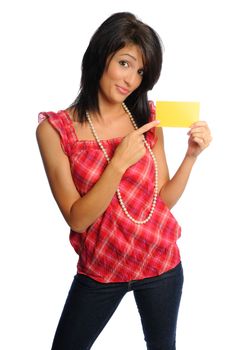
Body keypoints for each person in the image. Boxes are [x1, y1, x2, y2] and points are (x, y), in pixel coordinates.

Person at [36, 12, 212, 350]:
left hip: (160, 262)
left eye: (141, 71)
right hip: (101, 270)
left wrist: (190, 156)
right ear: (102, 55)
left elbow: (162, 202)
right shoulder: (55, 130)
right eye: (125, 63)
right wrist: (117, 164)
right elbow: (77, 218)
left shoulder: (146, 117)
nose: (131, 79)